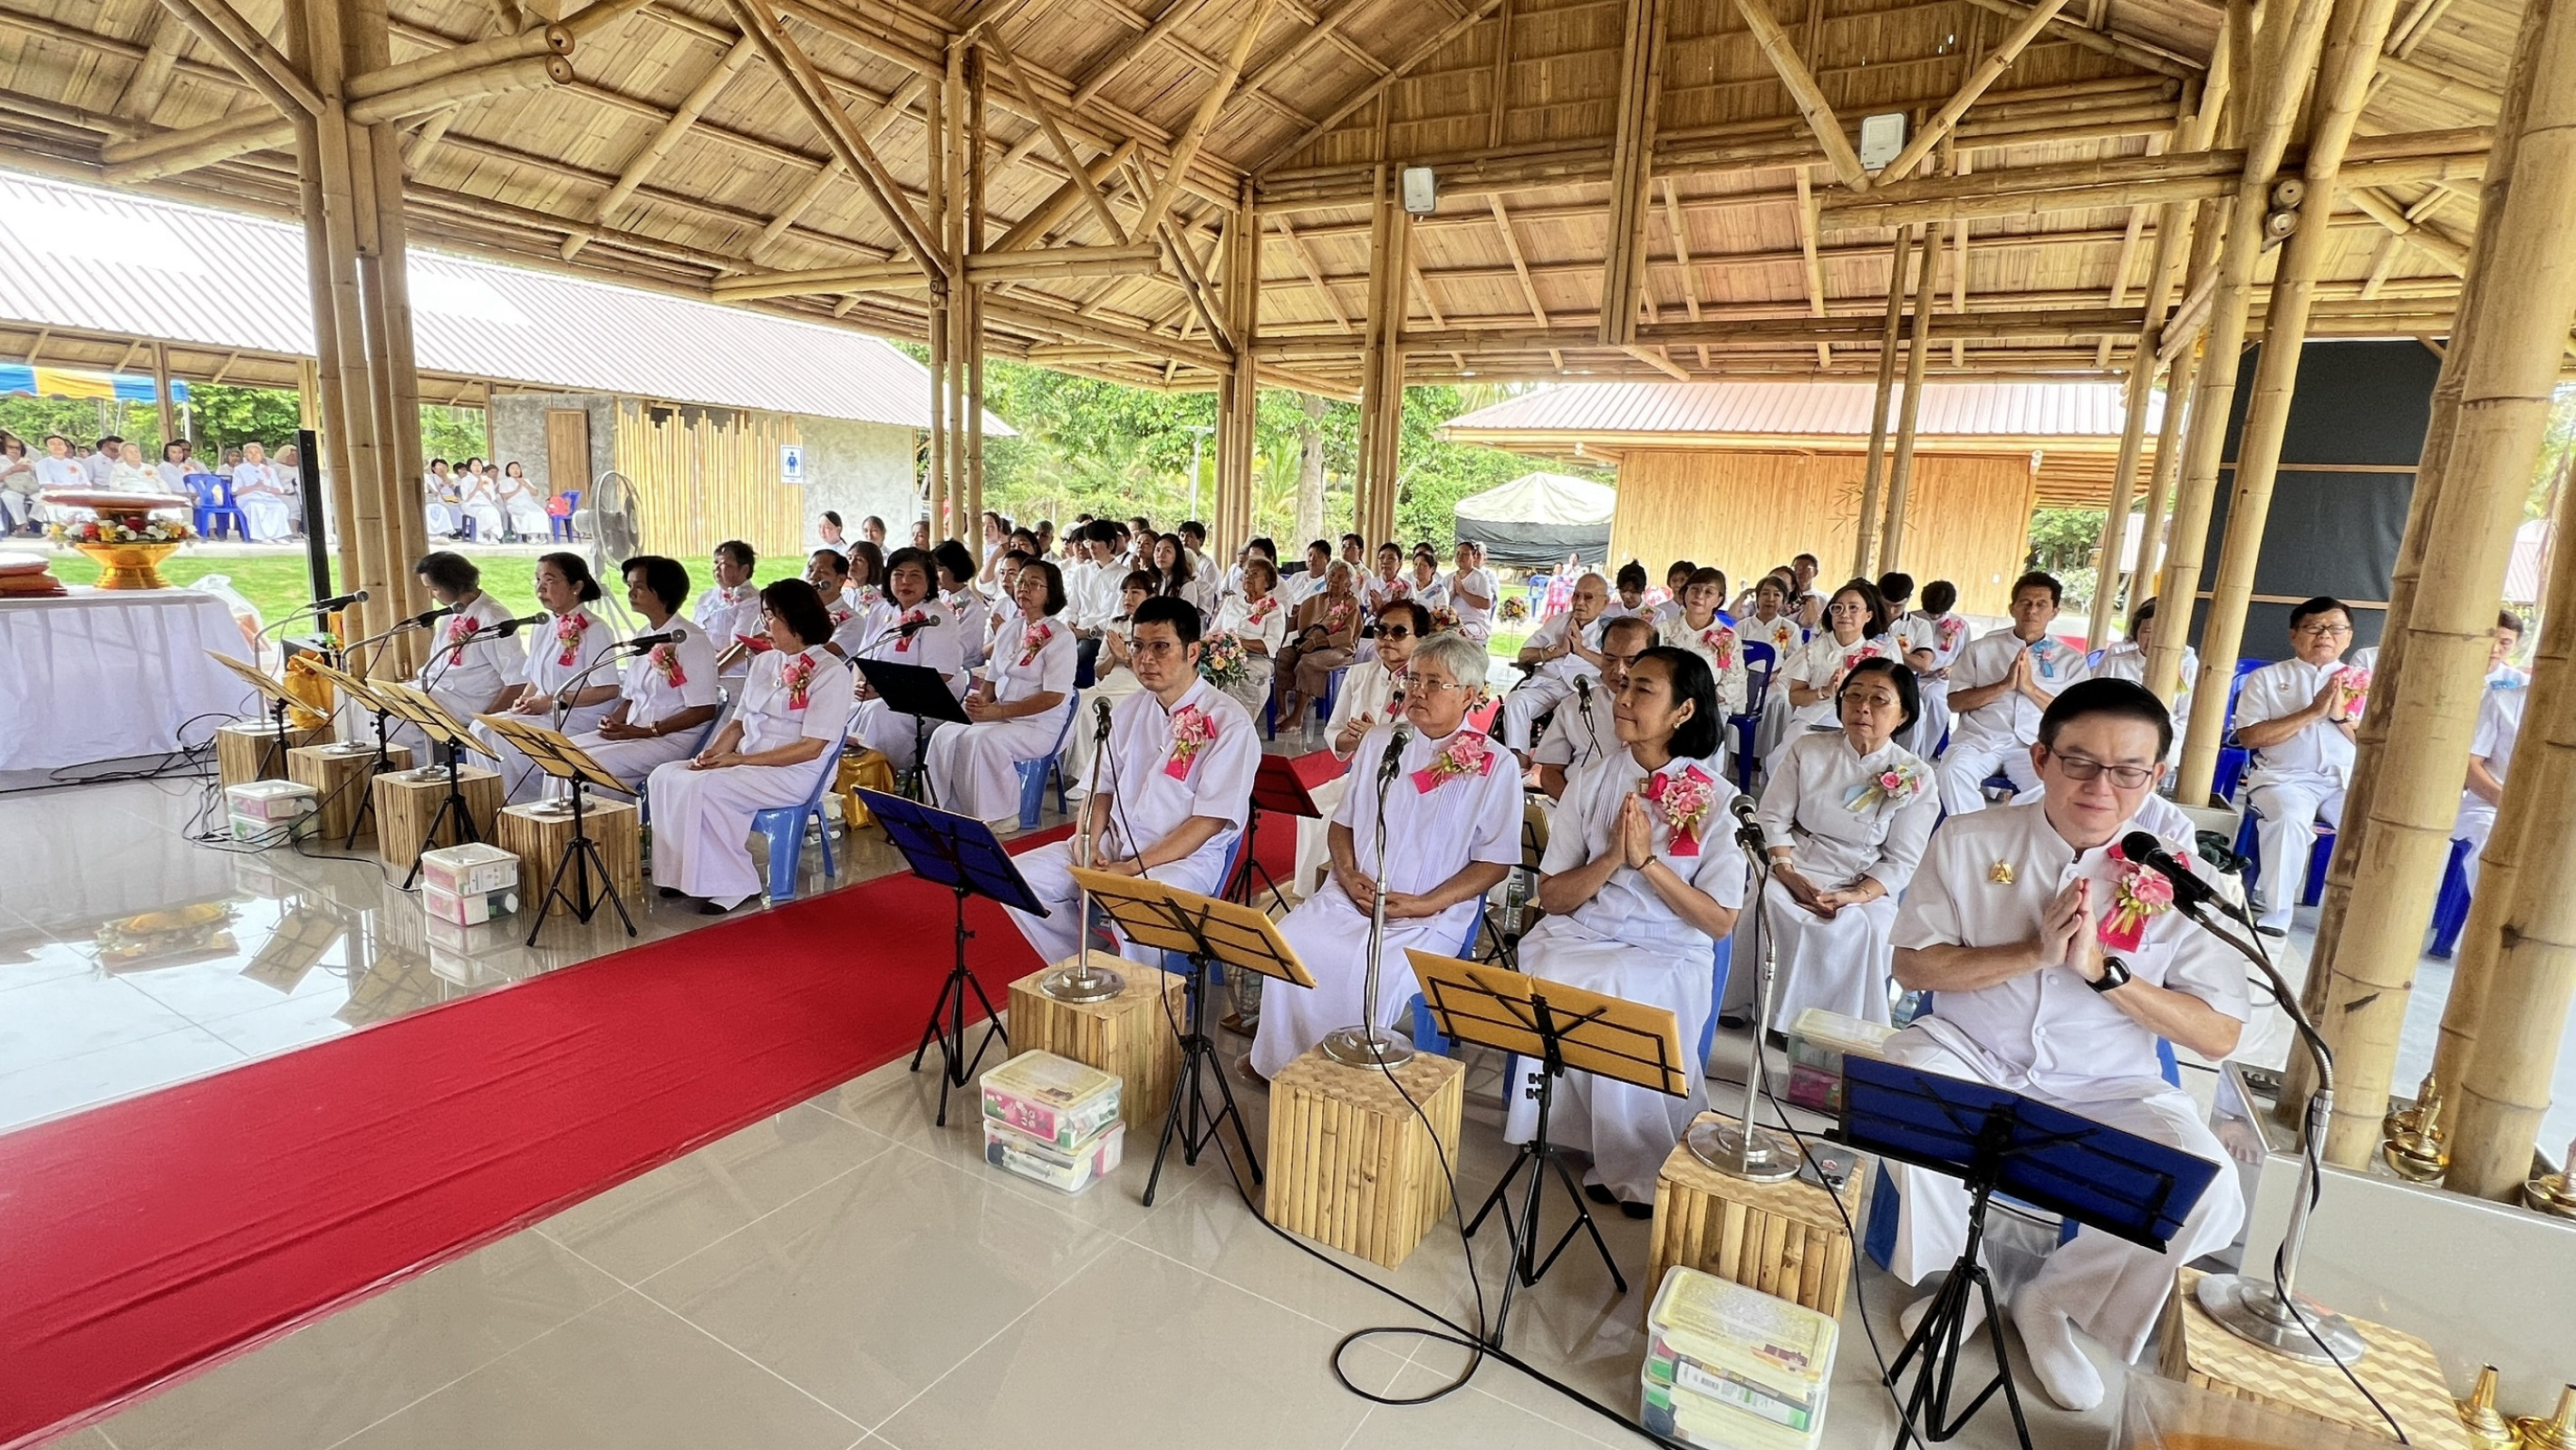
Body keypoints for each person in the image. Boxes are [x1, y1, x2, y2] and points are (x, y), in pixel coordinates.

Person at [1885, 678, 2246, 1412]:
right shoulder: (1968, 839)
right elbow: (1911, 964)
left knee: (2208, 1191)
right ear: (2040, 758)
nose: (2100, 787)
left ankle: (2055, 1302)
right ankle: (1969, 1274)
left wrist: (2106, 977)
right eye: (2079, 762)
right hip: (1969, 1048)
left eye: (2127, 771)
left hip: (2108, 1081)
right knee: (1896, 1089)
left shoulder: (2188, 883)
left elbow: (2218, 1030)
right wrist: (2033, 952)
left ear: (2154, 777)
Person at [1505, 646, 1745, 1214]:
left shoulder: (1719, 800)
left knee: (1625, 988)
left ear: (1683, 711)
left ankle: (1638, 1157)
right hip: (1585, 930)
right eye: (1625, 685)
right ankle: (1576, 1134)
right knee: (1555, 973)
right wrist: (1613, 857)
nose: (1624, 698)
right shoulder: (1591, 782)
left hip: (1669, 946)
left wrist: (1648, 864)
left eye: (1644, 690)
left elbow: (1717, 921)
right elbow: (1553, 895)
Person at [1249, 630, 1522, 1079]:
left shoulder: (1496, 765)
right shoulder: (1382, 742)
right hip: (1353, 896)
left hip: (1431, 913)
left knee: (1372, 970)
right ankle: (1284, 1066)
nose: (1418, 692)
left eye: (1435, 683)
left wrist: (1426, 904)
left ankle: (1352, 1080)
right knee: (1292, 941)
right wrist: (1347, 871)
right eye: (1413, 680)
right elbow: (1343, 824)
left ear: (1470, 695)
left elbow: (1496, 861)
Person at [1002, 595, 1262, 965]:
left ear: (1192, 652)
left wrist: (1132, 870)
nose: (1145, 659)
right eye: (1137, 646)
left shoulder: (1229, 723)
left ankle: (1140, 1007)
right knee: (1019, 878)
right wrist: (1087, 844)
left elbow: (1209, 821)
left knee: (1136, 904)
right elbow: (1100, 788)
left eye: (1160, 647)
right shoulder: (1128, 709)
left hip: (1182, 861)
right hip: (1114, 845)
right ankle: (1090, 963)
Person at [646, 580, 853, 914]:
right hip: (747, 762)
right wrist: (714, 752)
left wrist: (736, 761)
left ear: (796, 620)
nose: (763, 625)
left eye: (771, 616)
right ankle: (682, 875)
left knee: (709, 787)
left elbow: (811, 748)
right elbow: (739, 722)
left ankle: (734, 885)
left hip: (795, 773)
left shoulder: (830, 672)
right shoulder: (765, 662)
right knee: (665, 775)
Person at [1757, 658, 1941, 1027]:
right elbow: (1773, 816)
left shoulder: (1916, 776)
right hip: (1797, 860)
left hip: (1860, 877)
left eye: (1879, 700)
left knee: (1862, 927)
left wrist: (1855, 896)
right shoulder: (1807, 749)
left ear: (1903, 714)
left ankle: (1830, 1023)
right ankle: (1765, 1008)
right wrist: (1786, 871)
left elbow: (1902, 859)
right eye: (1853, 696)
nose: (1863, 708)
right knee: (1766, 900)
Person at [2233, 596, 2361, 933]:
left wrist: (2340, 718)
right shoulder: (2266, 678)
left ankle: (2359, 915)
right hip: (2284, 778)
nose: (2325, 636)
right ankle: (2278, 912)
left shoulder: (2365, 682)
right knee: (2289, 819)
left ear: (2349, 636)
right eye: (2313, 628)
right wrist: (2311, 713)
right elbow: (2249, 737)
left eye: (2335, 628)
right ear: (2294, 635)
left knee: (2373, 827)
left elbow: (2378, 745)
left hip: (2346, 780)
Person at [925, 560, 1077, 826]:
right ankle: (944, 807)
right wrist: (979, 705)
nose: (1024, 589)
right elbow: (992, 681)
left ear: (1050, 592)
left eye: (1034, 584)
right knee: (945, 733)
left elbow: (1054, 696)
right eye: (1021, 582)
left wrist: (998, 712)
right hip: (1002, 715)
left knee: (983, 741)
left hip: (1039, 725)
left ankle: (999, 816)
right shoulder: (1010, 628)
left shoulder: (1061, 637)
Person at [561, 555, 723, 794]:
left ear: (662, 592)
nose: (631, 593)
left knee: (585, 765)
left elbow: (704, 709)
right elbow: (631, 697)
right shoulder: (644, 634)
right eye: (629, 586)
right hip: (634, 732)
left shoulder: (690, 640)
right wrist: (614, 720)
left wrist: (648, 731)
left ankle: (602, 826)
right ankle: (556, 827)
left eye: (639, 587)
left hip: (669, 740)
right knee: (561, 753)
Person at [1936, 571, 2093, 816]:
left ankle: (2012, 836)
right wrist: (2004, 685)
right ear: (2012, 608)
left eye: (2041, 604)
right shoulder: (1981, 648)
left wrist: (2029, 688)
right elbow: (1955, 702)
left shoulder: (2071, 660)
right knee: (1951, 771)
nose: (2032, 610)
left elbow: (2078, 717)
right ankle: (1975, 837)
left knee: (2050, 786)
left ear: (2054, 612)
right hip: (1981, 740)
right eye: (2025, 603)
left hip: (2036, 745)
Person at [474, 553, 622, 802]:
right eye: (537, 580)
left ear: (576, 586)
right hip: (544, 711)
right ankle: (497, 801)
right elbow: (534, 677)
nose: (540, 588)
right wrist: (522, 701)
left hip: (576, 716)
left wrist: (554, 701)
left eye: (550, 580)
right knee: (481, 727)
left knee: (500, 737)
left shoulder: (595, 629)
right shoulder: (544, 625)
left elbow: (608, 690)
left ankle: (523, 803)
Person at [847, 546, 964, 772]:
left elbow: (941, 674)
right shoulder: (881, 610)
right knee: (843, 707)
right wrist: (859, 686)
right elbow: (863, 657)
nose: (905, 582)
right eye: (898, 575)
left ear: (930, 581)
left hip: (926, 701)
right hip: (877, 695)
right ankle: (846, 780)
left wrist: (881, 691)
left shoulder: (938, 618)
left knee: (878, 713)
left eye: (914, 576)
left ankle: (882, 777)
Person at [401, 551, 524, 759]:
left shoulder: (492, 616)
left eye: (434, 588)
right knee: (379, 701)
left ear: (453, 584)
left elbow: (517, 679)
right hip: (439, 691)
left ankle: (424, 776)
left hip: (469, 700)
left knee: (400, 718)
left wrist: (485, 718)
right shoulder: (452, 612)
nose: (431, 595)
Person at [1774, 578, 1903, 764]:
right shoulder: (1812, 651)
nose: (1844, 614)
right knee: (1789, 760)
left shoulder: (1881, 656)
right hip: (1810, 725)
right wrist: (1824, 691)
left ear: (1868, 615)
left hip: (1860, 728)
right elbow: (1795, 697)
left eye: (1853, 608)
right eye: (1838, 608)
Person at [1533, 614, 1653, 800]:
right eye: (1610, 659)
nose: (1619, 670)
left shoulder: (1666, 712)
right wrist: (1574, 809)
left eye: (1631, 661)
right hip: (1576, 807)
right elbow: (1550, 771)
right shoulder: (1576, 705)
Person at [1064, 570, 1159, 795]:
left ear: (1150, 597)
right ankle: (1062, 767)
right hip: (1110, 684)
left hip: (1136, 687)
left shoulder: (1156, 628)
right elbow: (1099, 670)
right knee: (1071, 701)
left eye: (1136, 592)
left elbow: (1151, 670)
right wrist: (1114, 655)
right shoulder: (1115, 625)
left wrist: (1126, 656)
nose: (1129, 597)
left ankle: (1087, 779)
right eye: (1125, 592)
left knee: (1089, 710)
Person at [1500, 570, 1613, 756]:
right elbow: (1524, 655)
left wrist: (1581, 651)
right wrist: (1556, 651)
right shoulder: (1557, 622)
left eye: (1589, 597)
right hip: (1548, 684)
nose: (1580, 602)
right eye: (1576, 595)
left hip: (1583, 690)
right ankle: (1519, 758)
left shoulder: (1609, 630)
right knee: (1515, 701)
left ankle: (1549, 764)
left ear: (1605, 603)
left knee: (1568, 711)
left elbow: (1615, 665)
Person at [2456, 613, 2529, 894]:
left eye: (2506, 642)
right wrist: (2507, 802)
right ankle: (2482, 928)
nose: (2496, 649)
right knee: (2494, 840)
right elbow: (2469, 764)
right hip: (2488, 803)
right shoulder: (2504, 698)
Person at [2093, 596, 2195, 765]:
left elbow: (2186, 719)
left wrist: (2155, 733)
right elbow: (2097, 705)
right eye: (2146, 632)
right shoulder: (2116, 663)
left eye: (2161, 632)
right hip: (2117, 742)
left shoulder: (2187, 667)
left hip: (2167, 747)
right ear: (2136, 633)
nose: (2153, 639)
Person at [1278, 560, 1365, 730]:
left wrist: (1317, 642)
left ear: (1348, 584)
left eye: (1340, 577)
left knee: (1308, 662)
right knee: (1283, 657)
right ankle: (1282, 711)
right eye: (1331, 575)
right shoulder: (1314, 600)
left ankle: (1297, 717)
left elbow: (1347, 636)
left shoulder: (1351, 604)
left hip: (1339, 649)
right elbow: (1292, 625)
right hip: (1307, 645)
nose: (1334, 580)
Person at [1654, 566, 1751, 720]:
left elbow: (1733, 679)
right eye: (1695, 589)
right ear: (1686, 592)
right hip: (1668, 704)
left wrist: (1702, 703)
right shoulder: (1664, 630)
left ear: (1718, 600)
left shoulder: (1727, 637)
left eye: (1708, 592)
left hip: (1710, 707)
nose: (1699, 595)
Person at [1209, 554, 1287, 719]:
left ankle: (1236, 723)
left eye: (1255, 574)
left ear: (1267, 582)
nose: (1248, 577)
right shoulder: (1231, 601)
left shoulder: (1274, 609)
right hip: (1223, 653)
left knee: (1236, 675)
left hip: (1257, 658)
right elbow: (1213, 632)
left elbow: (1272, 644)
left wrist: (1240, 643)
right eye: (1246, 573)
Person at [1905, 579, 1971, 752]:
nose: (1934, 617)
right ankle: (1906, 750)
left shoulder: (1961, 626)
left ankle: (1923, 753)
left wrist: (1953, 669)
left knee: (1933, 699)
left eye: (1938, 613)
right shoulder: (1912, 619)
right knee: (1912, 701)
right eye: (1930, 612)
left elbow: (1966, 658)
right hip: (1911, 676)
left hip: (1942, 680)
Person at [698, 540, 763, 677]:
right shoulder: (707, 597)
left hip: (730, 671)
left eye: (726, 565)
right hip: (703, 661)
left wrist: (708, 671)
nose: (717, 568)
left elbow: (740, 646)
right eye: (716, 563)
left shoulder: (751, 601)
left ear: (744, 570)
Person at [932, 539, 989, 670]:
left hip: (963, 671)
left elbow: (962, 648)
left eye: (939, 569)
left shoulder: (975, 608)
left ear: (954, 568)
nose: (934, 575)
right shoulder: (940, 597)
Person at [1443, 540, 1498, 642]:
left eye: (1465, 554)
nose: (1460, 557)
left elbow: (1486, 604)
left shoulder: (1481, 578)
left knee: (1460, 635)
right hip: (1453, 622)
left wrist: (1462, 592)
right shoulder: (1448, 578)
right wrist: (1453, 594)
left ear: (1474, 557)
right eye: (1458, 554)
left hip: (1475, 623)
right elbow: (1443, 604)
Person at [1150, 533, 1212, 619]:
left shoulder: (1187, 585)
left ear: (1177, 555)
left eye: (1167, 551)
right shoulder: (1148, 580)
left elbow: (1185, 618)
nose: (1161, 555)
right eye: (1157, 550)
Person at [498, 462, 548, 539]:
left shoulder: (525, 480)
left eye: (517, 468)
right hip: (514, 505)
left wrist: (525, 484)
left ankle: (536, 536)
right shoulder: (504, 482)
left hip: (529, 504)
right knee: (528, 514)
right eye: (513, 468)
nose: (516, 470)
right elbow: (504, 496)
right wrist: (518, 487)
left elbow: (535, 493)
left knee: (541, 513)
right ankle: (531, 537)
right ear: (508, 471)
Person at [458, 459, 503, 541]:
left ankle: (493, 536)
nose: (477, 468)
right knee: (483, 512)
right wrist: (476, 488)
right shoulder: (465, 480)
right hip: (470, 505)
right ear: (469, 467)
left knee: (494, 511)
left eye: (479, 465)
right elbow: (465, 498)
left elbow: (491, 498)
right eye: (474, 465)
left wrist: (483, 489)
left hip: (486, 504)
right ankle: (479, 535)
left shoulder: (487, 480)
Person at [423, 459, 460, 539]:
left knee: (459, 507)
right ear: (434, 468)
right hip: (439, 498)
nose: (442, 468)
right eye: (439, 466)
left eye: (444, 466)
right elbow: (433, 491)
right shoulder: (431, 478)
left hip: (451, 498)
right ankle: (449, 531)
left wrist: (451, 485)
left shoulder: (450, 478)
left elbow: (455, 491)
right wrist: (442, 484)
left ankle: (458, 529)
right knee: (448, 508)